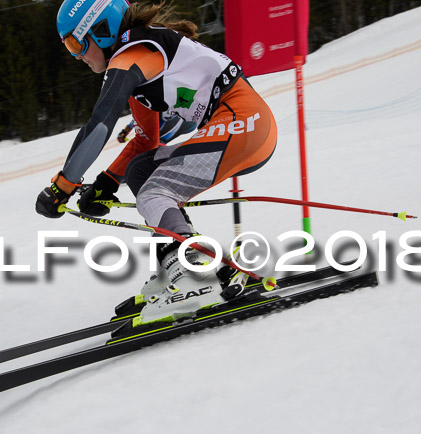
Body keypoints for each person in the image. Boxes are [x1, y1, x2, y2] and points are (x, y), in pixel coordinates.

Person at [36, 0, 277, 328]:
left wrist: (64, 185)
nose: (76, 55)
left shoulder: (135, 51)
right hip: (240, 125)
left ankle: (196, 271)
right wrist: (107, 181)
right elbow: (145, 142)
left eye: (75, 43)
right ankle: (174, 267)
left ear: (102, 32)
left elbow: (102, 121)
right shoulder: (138, 66)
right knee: (142, 170)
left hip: (245, 123)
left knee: (154, 192)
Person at [117, 110, 197, 144]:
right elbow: (137, 118)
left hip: (187, 123)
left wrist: (160, 141)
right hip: (177, 121)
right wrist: (125, 131)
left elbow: (174, 124)